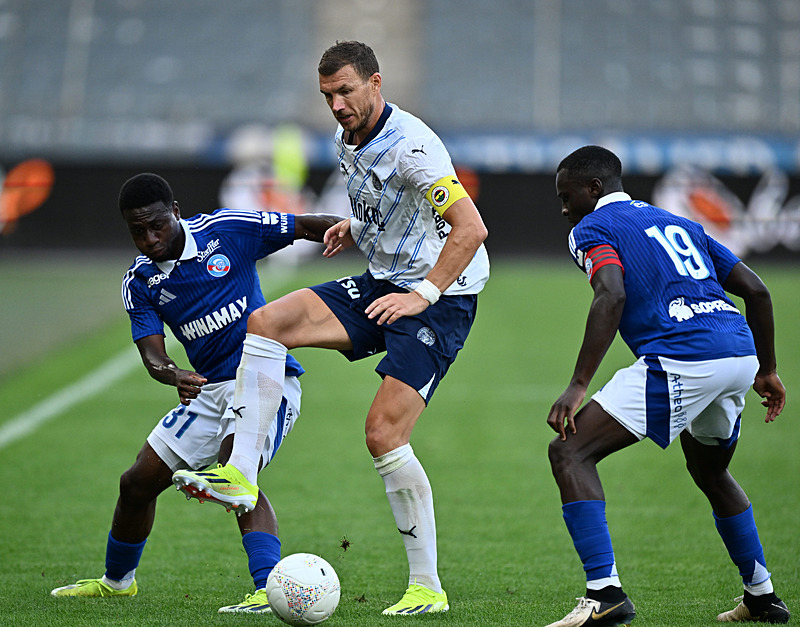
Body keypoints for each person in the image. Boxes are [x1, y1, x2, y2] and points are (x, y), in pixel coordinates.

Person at [173, 40, 490, 616]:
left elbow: (471, 230)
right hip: (384, 277)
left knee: (383, 435)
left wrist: (424, 294)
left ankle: (427, 587)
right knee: (267, 322)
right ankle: (241, 473)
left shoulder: (413, 146)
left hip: (441, 295)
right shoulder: (351, 136)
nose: (337, 105)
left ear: (375, 83)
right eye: (327, 95)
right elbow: (390, 202)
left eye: (346, 91)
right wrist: (356, 224)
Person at [51, 173, 342, 614]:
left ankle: (268, 588)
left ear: (176, 212)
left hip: (265, 378)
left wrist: (364, 236)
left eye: (157, 226)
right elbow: (152, 354)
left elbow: (304, 224)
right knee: (135, 484)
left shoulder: (226, 230)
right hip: (206, 392)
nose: (149, 239)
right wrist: (173, 375)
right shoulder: (141, 281)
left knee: (234, 471)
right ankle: (117, 582)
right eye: (137, 231)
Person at [544, 145, 789, 626]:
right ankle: (762, 597)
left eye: (566, 194)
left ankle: (605, 594)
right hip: (738, 354)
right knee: (712, 471)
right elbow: (757, 290)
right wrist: (767, 370)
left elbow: (610, 293)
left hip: (683, 356)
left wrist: (578, 385)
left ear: (593, 189)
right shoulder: (678, 223)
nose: (563, 206)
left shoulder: (590, 228)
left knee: (570, 452)